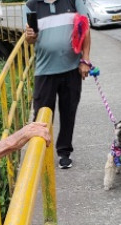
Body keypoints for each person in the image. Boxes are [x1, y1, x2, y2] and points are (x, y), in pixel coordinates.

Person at [24, 0, 91, 169]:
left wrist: (85, 60)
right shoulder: (31, 5)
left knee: (69, 113)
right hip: (44, 71)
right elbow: (30, 39)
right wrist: (29, 37)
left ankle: (64, 152)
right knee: (41, 116)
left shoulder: (73, 1)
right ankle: (41, 153)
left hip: (71, 68)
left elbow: (85, 29)